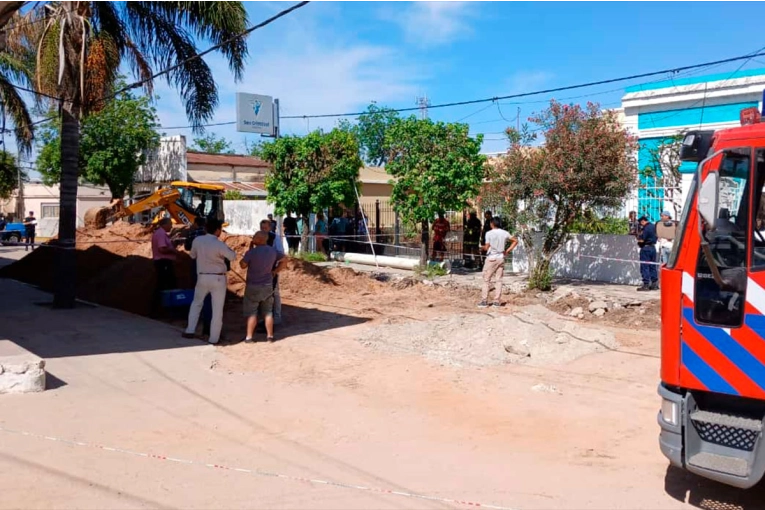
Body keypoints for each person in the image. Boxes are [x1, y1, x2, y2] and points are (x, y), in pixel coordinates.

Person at [183, 219, 236, 344]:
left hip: (202, 276)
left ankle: (190, 330)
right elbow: (232, 257)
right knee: (217, 309)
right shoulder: (219, 244)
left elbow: (192, 255)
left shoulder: (197, 240)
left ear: (206, 229)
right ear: (218, 230)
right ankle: (214, 338)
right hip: (218, 277)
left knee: (196, 303)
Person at [240, 231, 285, 342]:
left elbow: (242, 265)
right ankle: (270, 336)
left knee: (252, 312)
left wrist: (249, 251)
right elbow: (285, 260)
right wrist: (275, 271)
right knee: (268, 312)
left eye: (254, 236)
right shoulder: (273, 251)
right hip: (267, 285)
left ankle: (249, 337)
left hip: (253, 286)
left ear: (260, 239)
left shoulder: (252, 252)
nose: (253, 238)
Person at [478, 217, 517, 308]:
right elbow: (515, 241)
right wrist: (507, 251)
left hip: (492, 259)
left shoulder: (489, 233)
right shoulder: (505, 232)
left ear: (492, 224)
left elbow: (487, 247)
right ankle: (496, 301)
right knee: (498, 280)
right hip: (501, 258)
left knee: (486, 279)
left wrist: (481, 248)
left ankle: (484, 301)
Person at [184, 217, 213, 338]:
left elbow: (188, 249)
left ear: (195, 223)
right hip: (212, 271)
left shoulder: (193, 234)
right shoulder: (210, 236)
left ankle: (191, 329)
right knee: (209, 301)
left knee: (197, 300)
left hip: (198, 268)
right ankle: (208, 328)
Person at [258, 218, 285, 325]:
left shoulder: (275, 238)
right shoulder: (259, 236)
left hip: (272, 269)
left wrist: (275, 269)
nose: (263, 230)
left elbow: (281, 254)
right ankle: (264, 317)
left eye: (265, 228)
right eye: (262, 228)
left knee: (275, 293)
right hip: (260, 270)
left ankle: (277, 316)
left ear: (270, 228)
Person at [151, 218, 178, 315]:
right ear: (164, 224)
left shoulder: (159, 233)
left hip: (163, 262)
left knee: (164, 285)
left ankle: (160, 309)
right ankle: (163, 310)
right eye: (170, 224)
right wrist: (173, 251)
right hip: (164, 262)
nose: (171, 226)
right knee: (166, 285)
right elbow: (162, 248)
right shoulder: (161, 234)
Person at [637, 216, 659, 291]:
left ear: (643, 221)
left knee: (645, 266)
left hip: (646, 248)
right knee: (652, 266)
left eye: (641, 223)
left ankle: (646, 284)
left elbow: (642, 239)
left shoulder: (646, 228)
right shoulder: (654, 227)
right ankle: (654, 284)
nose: (641, 225)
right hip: (653, 248)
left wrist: (638, 239)